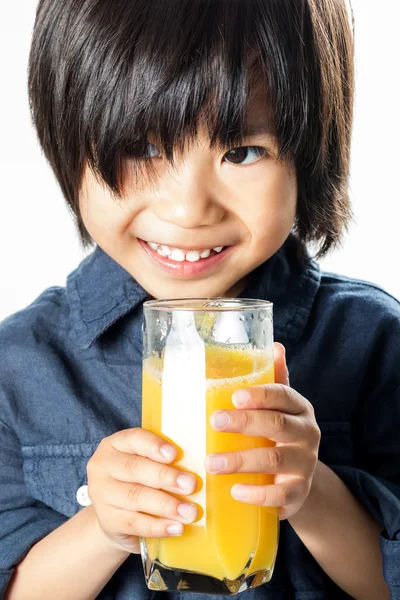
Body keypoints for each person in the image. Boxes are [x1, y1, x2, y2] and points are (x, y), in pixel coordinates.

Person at [0, 0, 399, 598]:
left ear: (311, 150)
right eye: (142, 147)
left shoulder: (374, 342)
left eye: (241, 153)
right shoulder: (20, 365)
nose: (188, 211)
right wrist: (105, 529)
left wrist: (312, 492)